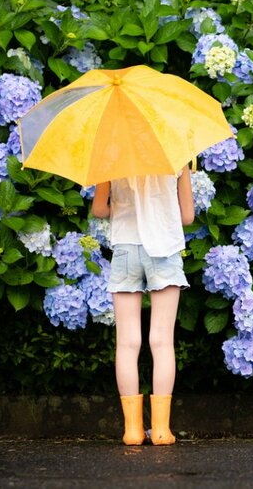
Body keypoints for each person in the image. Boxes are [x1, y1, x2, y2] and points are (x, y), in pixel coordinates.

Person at [91, 165, 195, 446]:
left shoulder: (111, 156)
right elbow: (187, 216)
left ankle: (132, 430)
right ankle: (161, 430)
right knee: (161, 341)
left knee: (127, 343)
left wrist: (124, 210)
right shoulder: (176, 157)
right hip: (164, 247)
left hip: (125, 246)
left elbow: (99, 209)